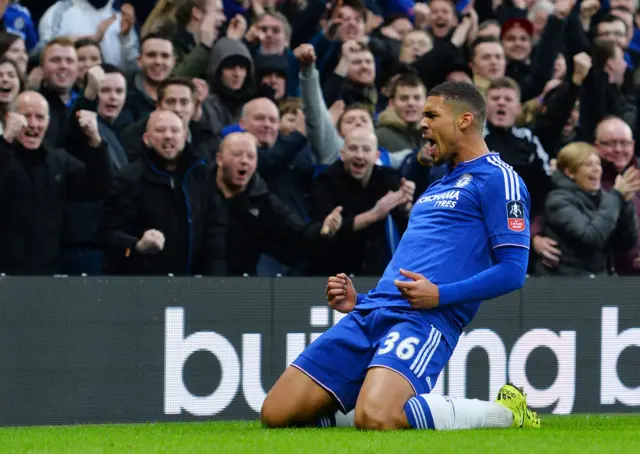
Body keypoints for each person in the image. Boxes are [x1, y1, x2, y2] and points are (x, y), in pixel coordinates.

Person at [261, 81, 540, 431]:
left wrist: (440, 295)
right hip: (372, 311)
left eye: (432, 115)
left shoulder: (499, 179)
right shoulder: (436, 186)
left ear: (465, 120)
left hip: (425, 320)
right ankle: (368, 403)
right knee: (276, 414)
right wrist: (359, 299)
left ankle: (504, 413)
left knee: (376, 417)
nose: (422, 124)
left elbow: (514, 271)